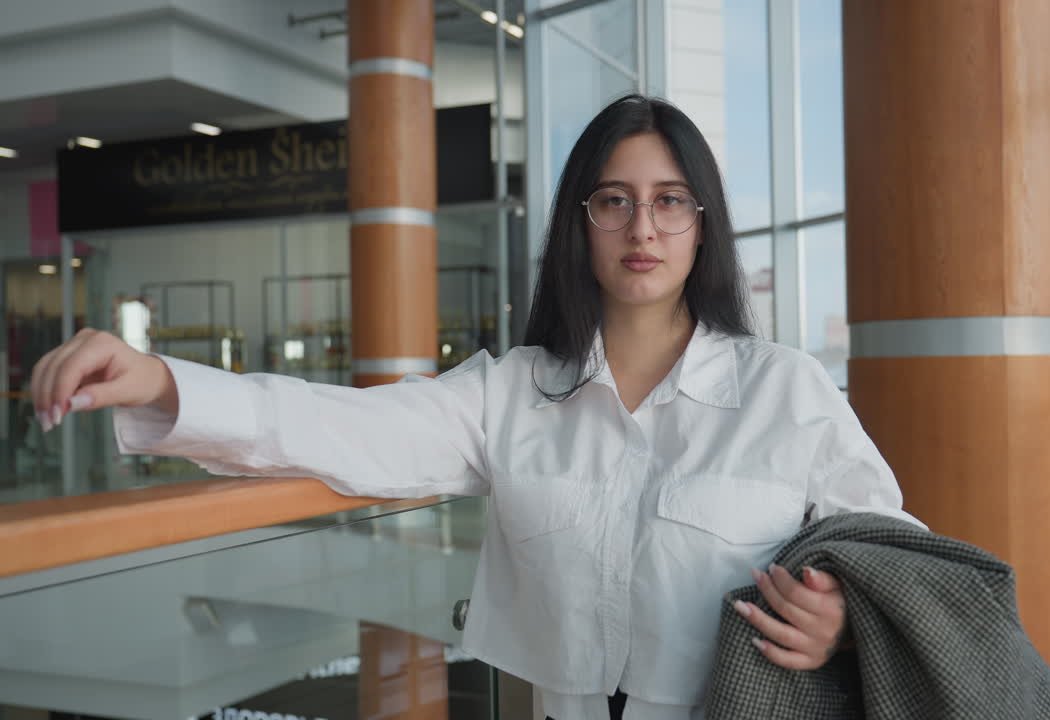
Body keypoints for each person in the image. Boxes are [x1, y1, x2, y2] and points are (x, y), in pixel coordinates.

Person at [30, 95, 922, 720]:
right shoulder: (514, 391)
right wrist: (162, 381)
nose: (641, 229)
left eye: (668, 203)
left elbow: (902, 557)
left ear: (702, 224)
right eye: (613, 201)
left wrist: (846, 621)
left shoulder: (783, 388)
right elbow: (347, 427)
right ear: (580, 222)